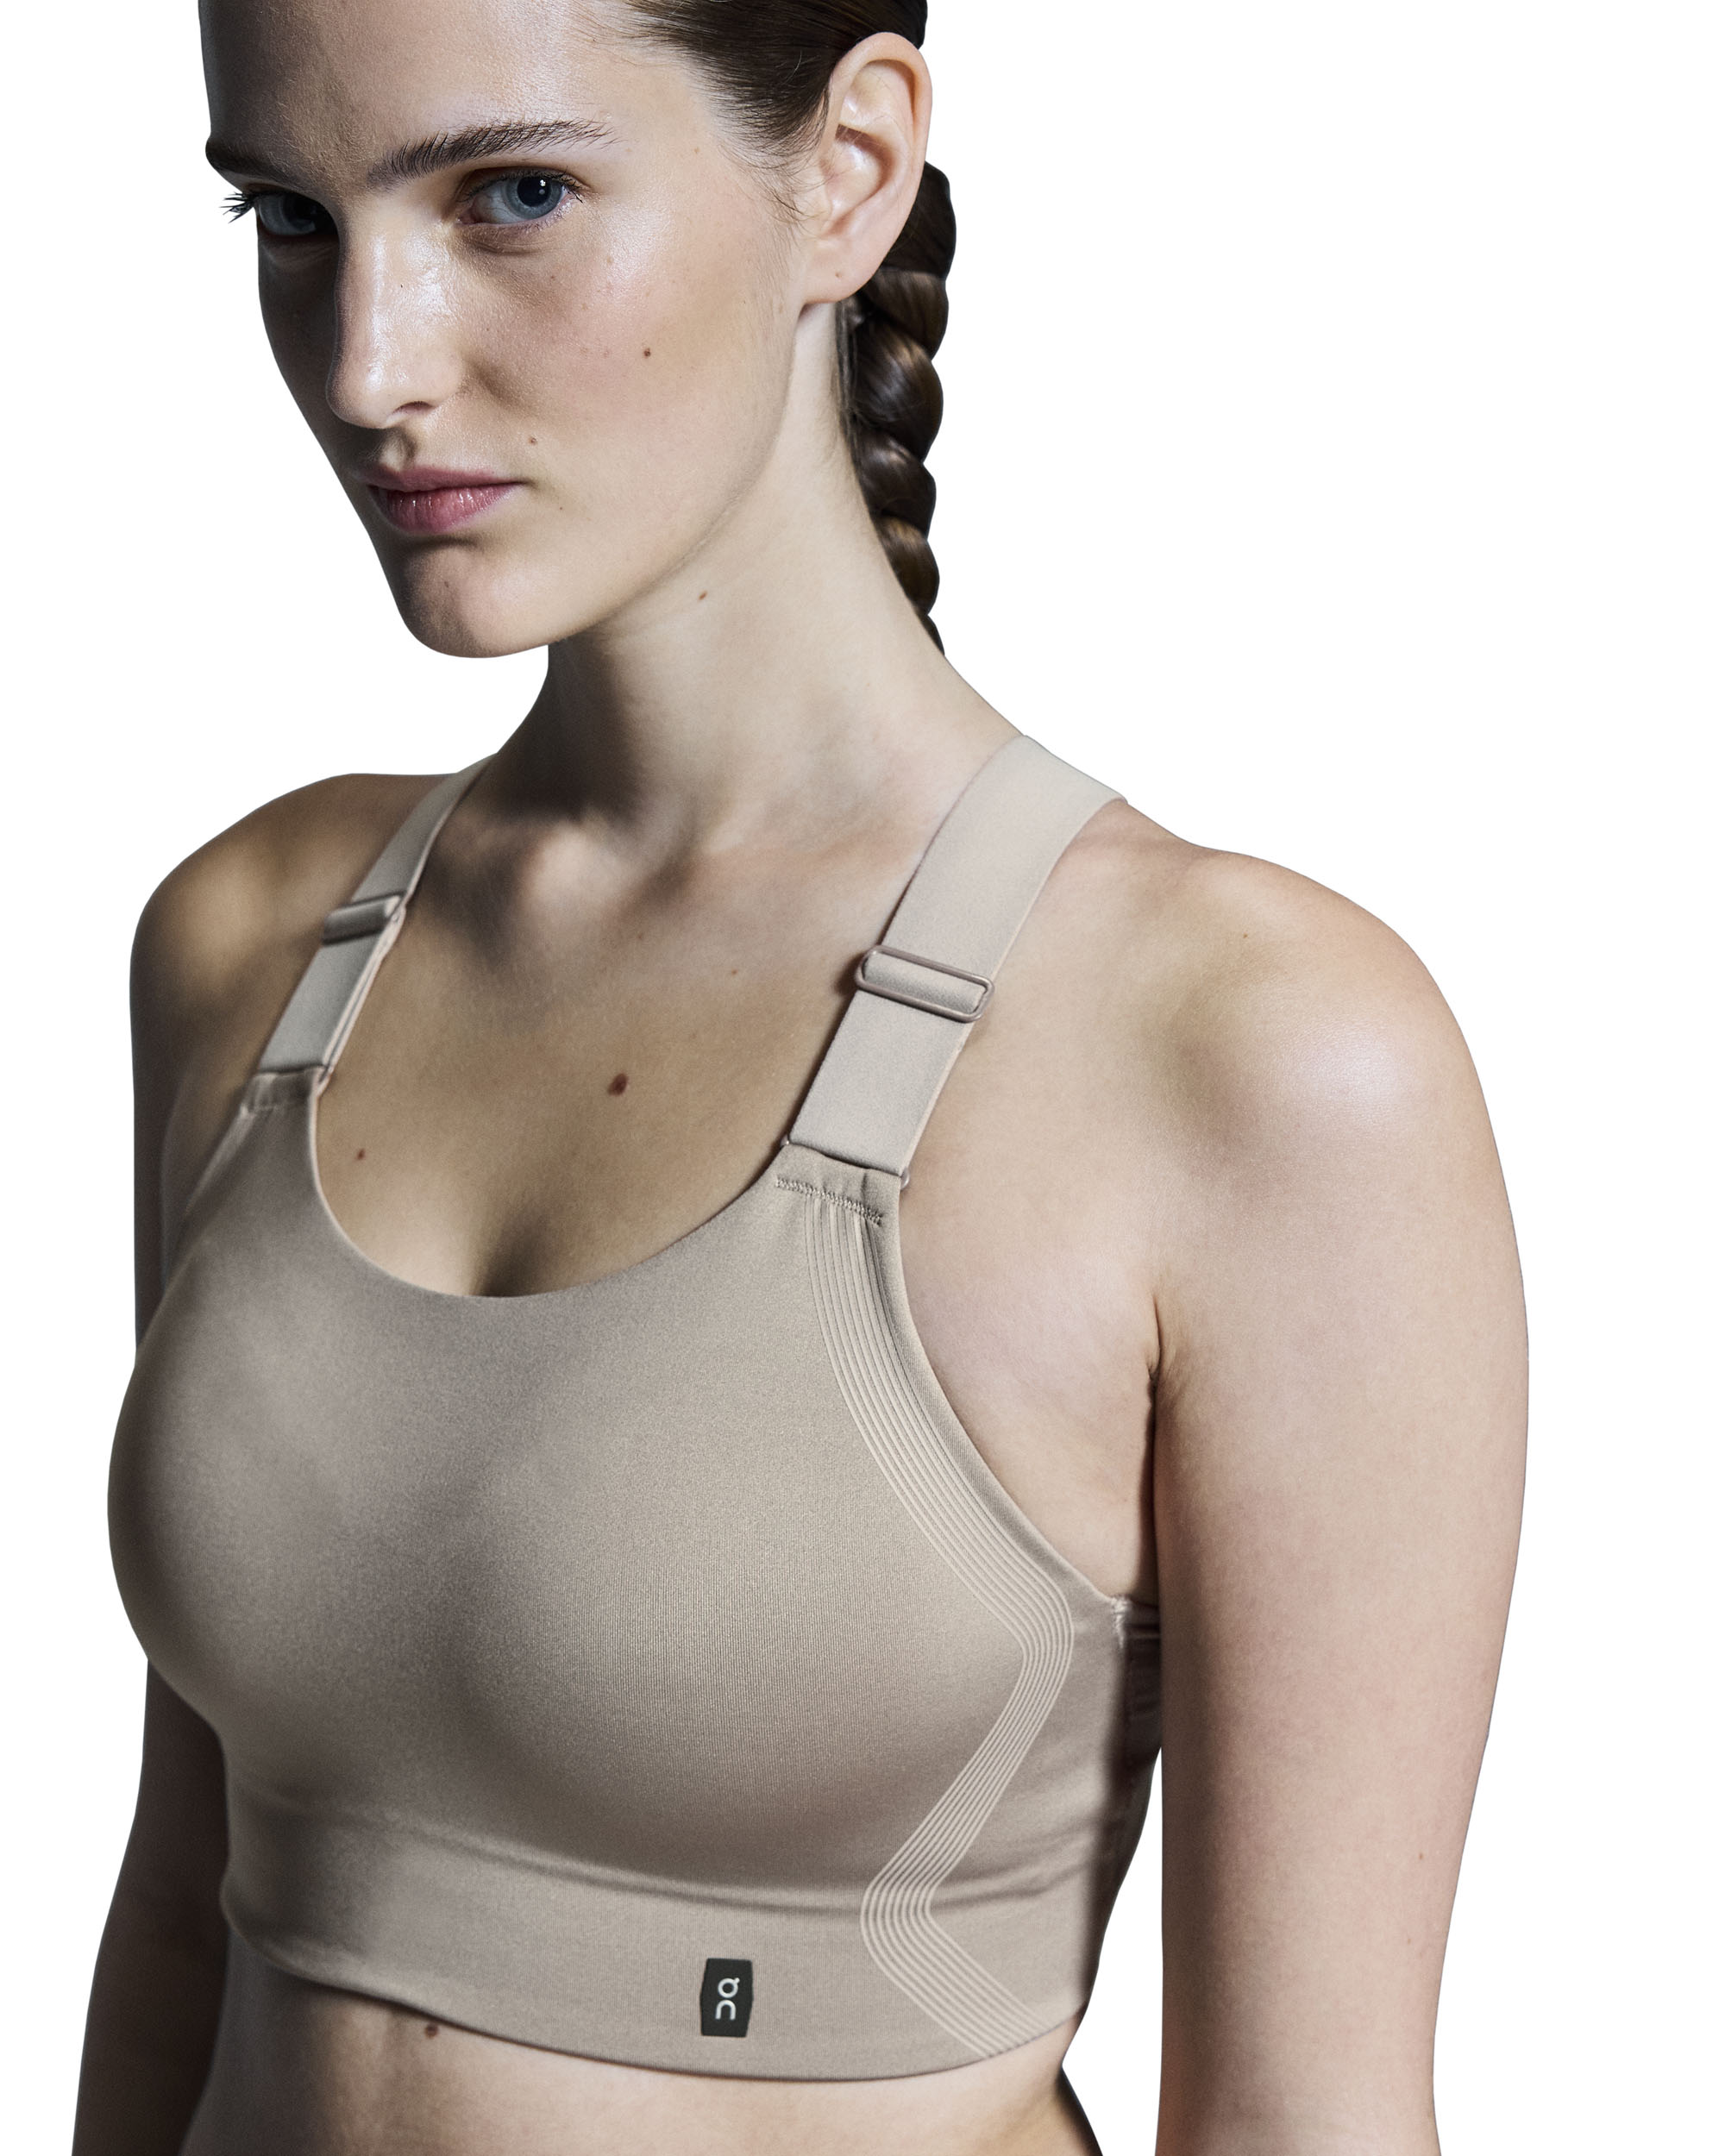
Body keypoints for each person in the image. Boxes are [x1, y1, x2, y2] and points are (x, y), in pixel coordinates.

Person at [73, 1, 1528, 2151]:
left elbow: (1302, 2114)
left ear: (848, 169)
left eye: (511, 195)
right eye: (291, 217)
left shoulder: (1246, 1054)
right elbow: (186, 1914)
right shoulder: (254, 943)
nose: (368, 363)